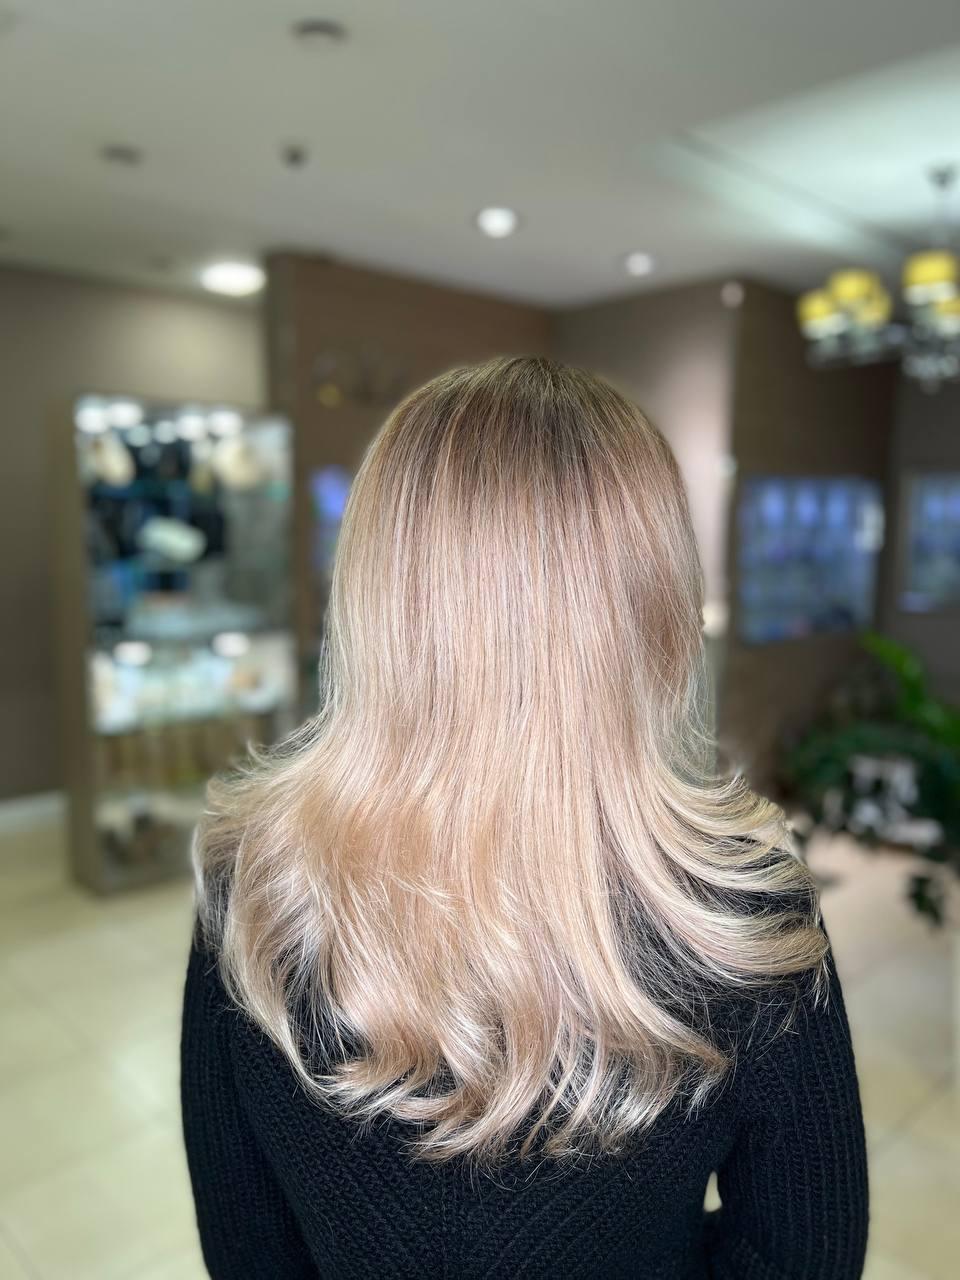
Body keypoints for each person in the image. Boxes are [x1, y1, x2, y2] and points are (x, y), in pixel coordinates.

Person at [181, 356, 867, 1278]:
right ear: (655, 608)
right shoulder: (741, 913)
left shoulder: (257, 887)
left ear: (374, 593)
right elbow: (802, 1256)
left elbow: (247, 1250)